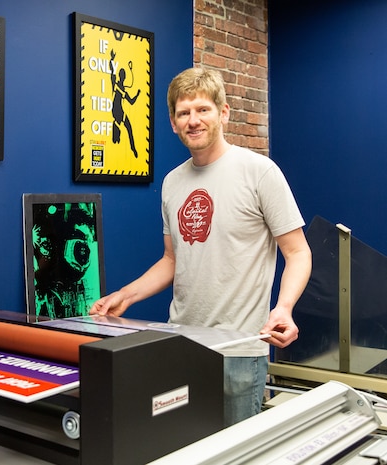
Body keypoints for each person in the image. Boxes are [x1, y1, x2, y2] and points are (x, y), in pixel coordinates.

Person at [90, 67, 312, 426]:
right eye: (183, 113)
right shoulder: (172, 182)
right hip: (179, 346)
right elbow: (171, 259)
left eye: (202, 109)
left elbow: (298, 252)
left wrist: (284, 308)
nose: (193, 120)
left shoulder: (260, 172)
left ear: (223, 113)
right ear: (173, 122)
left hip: (238, 352)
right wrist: (126, 295)